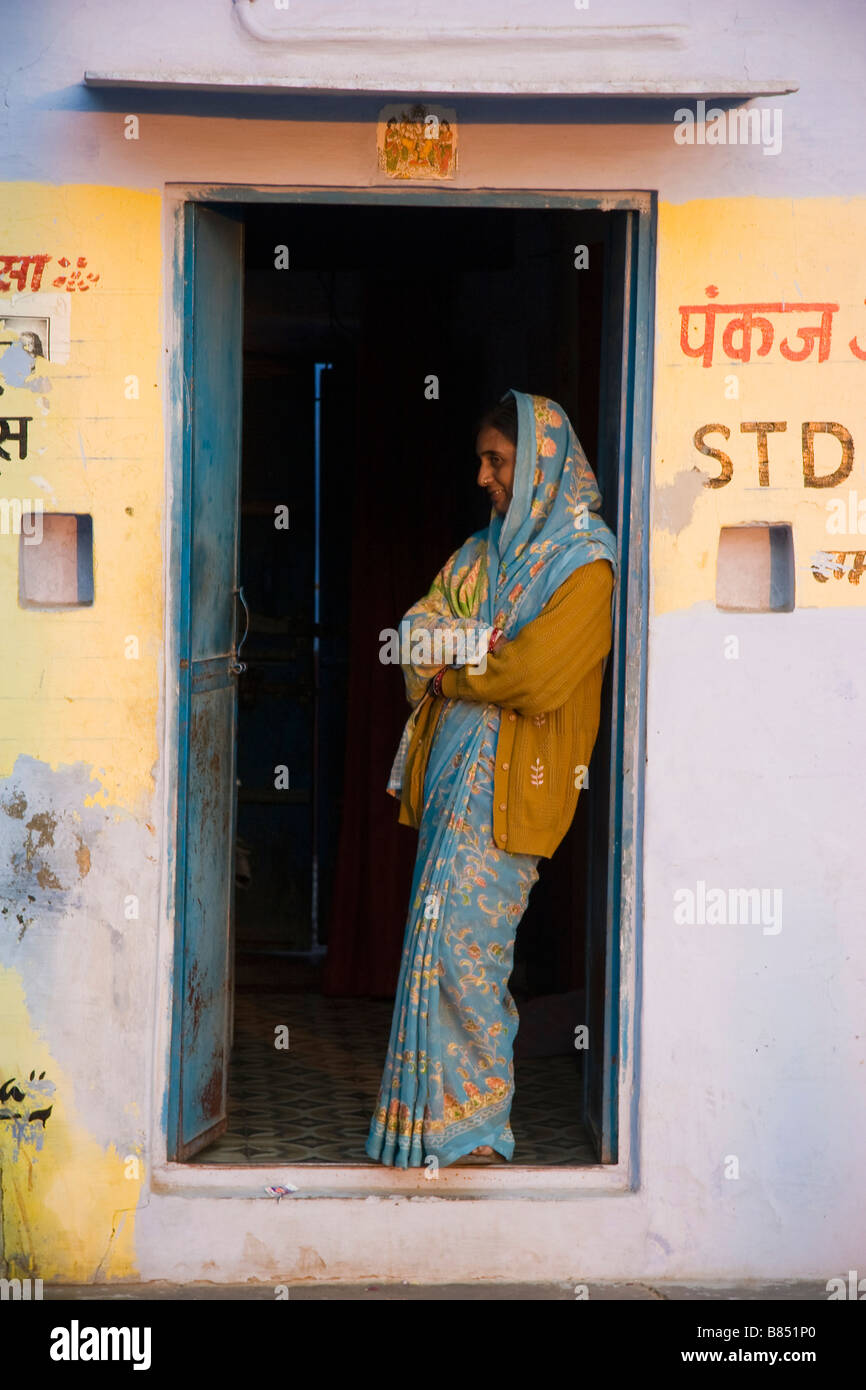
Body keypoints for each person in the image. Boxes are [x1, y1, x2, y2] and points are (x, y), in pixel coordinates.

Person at [365, 389, 617, 1169]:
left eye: (497, 460)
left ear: (539, 466)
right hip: (452, 787)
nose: (482, 476)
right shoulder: (480, 556)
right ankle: (424, 1131)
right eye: (482, 459)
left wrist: (457, 672)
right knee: (435, 948)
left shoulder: (586, 566)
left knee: (470, 956)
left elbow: (537, 675)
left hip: (515, 793)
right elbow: (413, 632)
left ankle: (476, 1132)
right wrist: (482, 650)